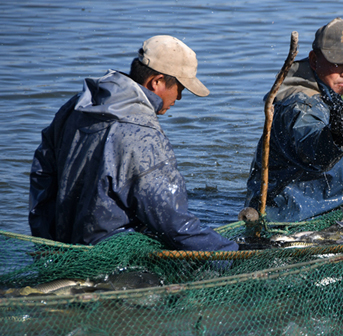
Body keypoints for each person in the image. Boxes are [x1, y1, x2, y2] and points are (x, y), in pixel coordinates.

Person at [29, 35, 238, 252]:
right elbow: (174, 223)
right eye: (181, 88)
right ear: (156, 82)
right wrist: (228, 253)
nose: (180, 98)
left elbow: (42, 176)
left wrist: (48, 245)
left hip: (62, 249)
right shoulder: (143, 134)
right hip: (114, 260)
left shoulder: (75, 107)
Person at [245, 18, 343, 222]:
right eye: (338, 63)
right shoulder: (299, 105)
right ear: (313, 60)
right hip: (285, 214)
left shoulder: (329, 92)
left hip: (323, 201)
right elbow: (312, 150)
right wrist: (334, 139)